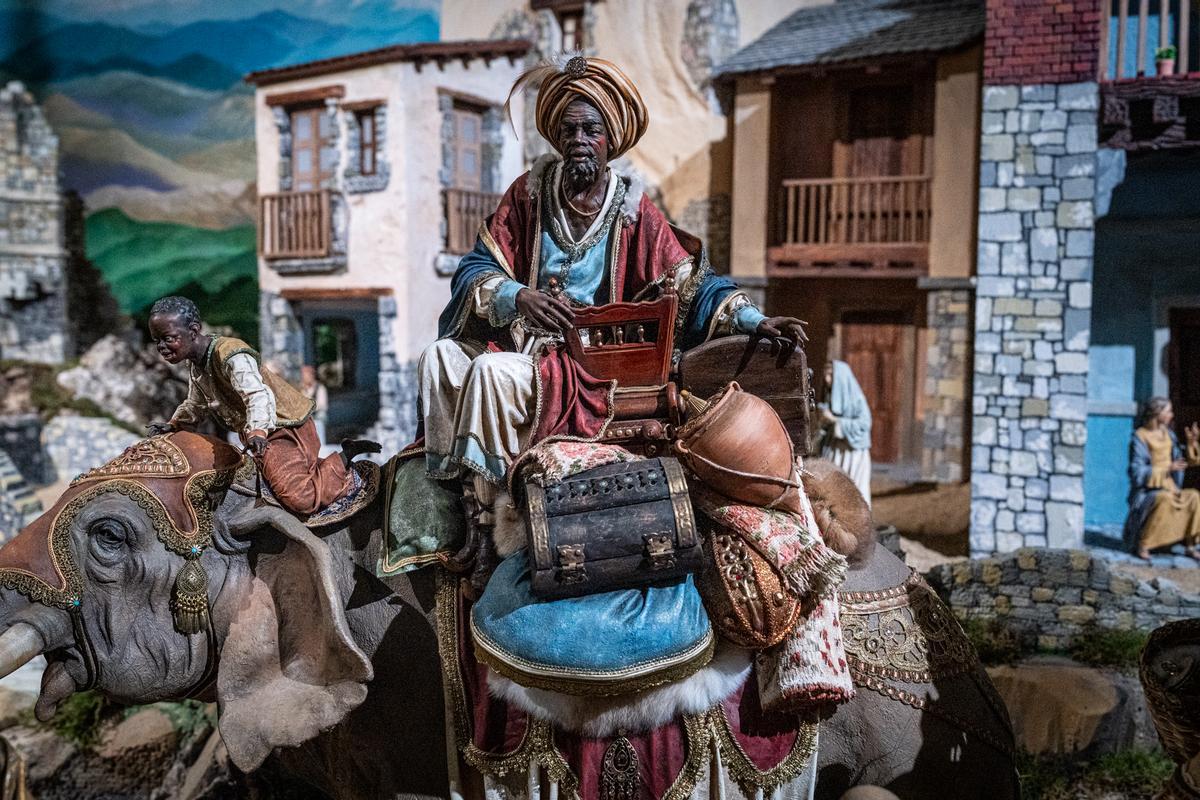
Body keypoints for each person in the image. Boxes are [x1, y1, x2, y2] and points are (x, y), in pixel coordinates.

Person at [418, 55, 805, 521]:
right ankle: (444, 493)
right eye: (569, 131)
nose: (579, 141)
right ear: (557, 138)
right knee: (437, 358)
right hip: (518, 343)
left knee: (491, 374)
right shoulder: (528, 194)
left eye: (590, 131)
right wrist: (517, 295)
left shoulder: (635, 211)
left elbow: (694, 285)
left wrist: (754, 319)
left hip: (584, 361)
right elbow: (475, 268)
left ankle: (492, 503)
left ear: (610, 140)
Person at [146, 296, 379, 516]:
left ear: (194, 331)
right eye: (157, 341)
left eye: (169, 338)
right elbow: (196, 403)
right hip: (257, 433)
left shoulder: (230, 354)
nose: (162, 347)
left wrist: (258, 430)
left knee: (300, 498)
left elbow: (257, 395)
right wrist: (175, 424)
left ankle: (344, 460)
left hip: (282, 427)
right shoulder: (197, 366)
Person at [1123, 396, 1200, 561]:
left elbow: (1183, 461)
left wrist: (1192, 444)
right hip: (1149, 490)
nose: (1171, 415)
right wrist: (1166, 469)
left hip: (1170, 486)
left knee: (1193, 496)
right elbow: (1136, 472)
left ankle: (1190, 544)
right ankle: (1144, 543)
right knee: (1163, 499)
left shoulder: (1169, 435)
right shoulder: (1140, 437)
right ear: (1158, 413)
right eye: (1168, 411)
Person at [818, 359, 873, 506]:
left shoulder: (857, 400)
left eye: (830, 375)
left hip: (852, 454)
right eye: (825, 375)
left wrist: (836, 421)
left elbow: (864, 424)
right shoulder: (831, 397)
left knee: (854, 493)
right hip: (835, 451)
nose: (826, 379)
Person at [301, 365, 329, 445]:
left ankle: (321, 442)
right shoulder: (301, 389)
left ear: (312, 376)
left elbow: (322, 405)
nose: (305, 378)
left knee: (321, 416)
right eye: (304, 376)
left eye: (307, 375)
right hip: (305, 415)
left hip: (316, 414)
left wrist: (309, 407)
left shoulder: (320, 388)